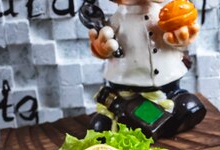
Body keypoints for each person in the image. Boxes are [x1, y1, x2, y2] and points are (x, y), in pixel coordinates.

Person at [86, 0, 205, 137]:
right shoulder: (115, 23)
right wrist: (100, 49)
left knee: (188, 105)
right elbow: (103, 46)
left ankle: (155, 120)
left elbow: (180, 40)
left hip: (168, 83)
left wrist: (182, 41)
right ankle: (130, 117)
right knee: (110, 121)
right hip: (128, 87)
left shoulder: (165, 15)